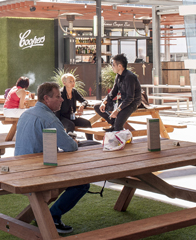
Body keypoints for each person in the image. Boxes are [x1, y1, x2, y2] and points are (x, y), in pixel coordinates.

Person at [15, 82, 88, 234]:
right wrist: (73, 141)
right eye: (58, 96)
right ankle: (52, 216)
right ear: (46, 99)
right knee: (82, 182)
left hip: (19, 167)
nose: (61, 99)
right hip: (37, 170)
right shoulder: (49, 119)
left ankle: (48, 215)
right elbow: (69, 147)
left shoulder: (26, 113)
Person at [94, 54, 142, 132]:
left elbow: (130, 98)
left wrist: (117, 110)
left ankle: (116, 127)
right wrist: (104, 102)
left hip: (132, 103)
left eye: (113, 65)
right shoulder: (118, 76)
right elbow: (113, 92)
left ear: (119, 66)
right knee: (97, 106)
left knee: (118, 127)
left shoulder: (129, 77)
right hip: (123, 102)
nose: (112, 67)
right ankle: (114, 123)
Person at [55, 74, 93, 140]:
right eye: (70, 81)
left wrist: (82, 105)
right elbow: (56, 110)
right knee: (70, 124)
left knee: (87, 123)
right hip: (61, 118)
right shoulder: (60, 93)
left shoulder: (74, 92)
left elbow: (85, 101)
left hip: (71, 117)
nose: (73, 83)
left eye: (73, 81)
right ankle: (69, 142)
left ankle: (90, 142)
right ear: (64, 83)